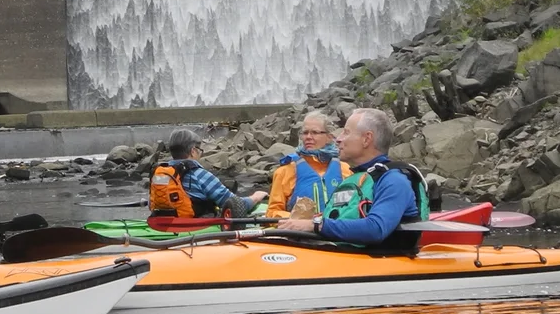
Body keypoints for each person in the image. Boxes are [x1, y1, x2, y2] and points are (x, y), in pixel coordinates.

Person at [275, 107, 429, 255]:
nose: (338, 139)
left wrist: (314, 225)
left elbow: (376, 229)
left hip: (382, 260)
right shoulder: (356, 178)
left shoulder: (394, 180)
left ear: (366, 139)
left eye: (346, 132)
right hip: (342, 255)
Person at [149, 128, 266, 221]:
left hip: (163, 225)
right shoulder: (199, 174)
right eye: (199, 150)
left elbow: (151, 204)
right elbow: (235, 204)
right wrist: (254, 198)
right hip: (195, 226)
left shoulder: (160, 174)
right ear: (193, 151)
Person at [264, 112, 345, 219]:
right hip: (301, 228)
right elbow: (272, 212)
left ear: (329, 137)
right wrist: (298, 217)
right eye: (305, 133)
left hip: (338, 227)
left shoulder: (345, 170)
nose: (308, 137)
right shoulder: (285, 171)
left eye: (315, 132)